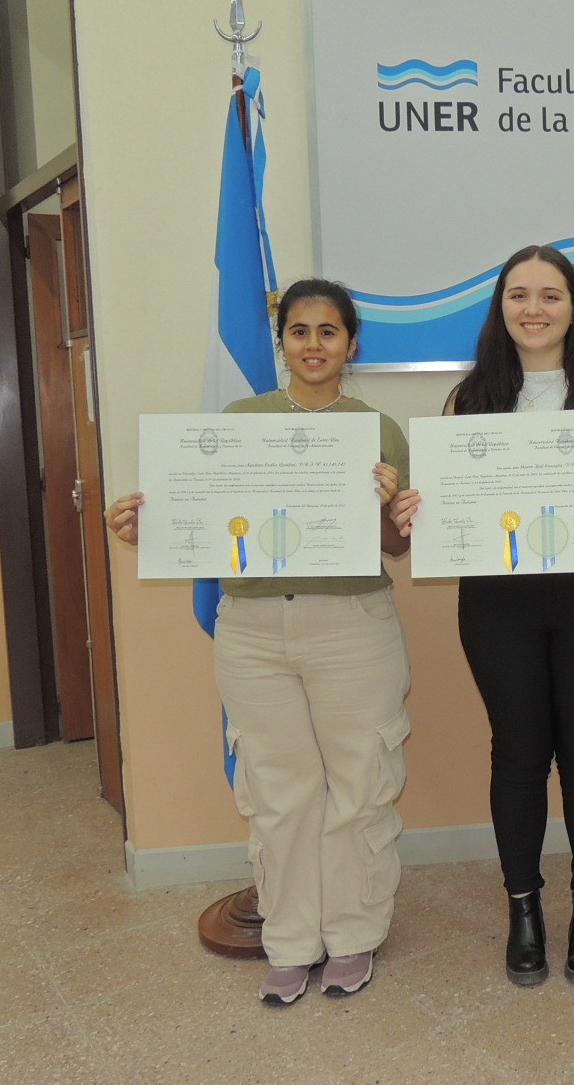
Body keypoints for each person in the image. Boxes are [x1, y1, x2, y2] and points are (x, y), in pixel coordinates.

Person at [105, 279, 414, 1005]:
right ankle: (292, 940)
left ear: (351, 344)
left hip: (353, 626)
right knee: (278, 792)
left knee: (360, 785)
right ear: (282, 343)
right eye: (299, 331)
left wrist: (386, 505)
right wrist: (150, 527)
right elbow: (204, 522)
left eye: (328, 331)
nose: (314, 345)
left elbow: (398, 546)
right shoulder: (238, 422)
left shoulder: (378, 430)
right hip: (250, 632)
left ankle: (355, 935)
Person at [389, 245, 574, 987]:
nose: (535, 308)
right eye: (519, 294)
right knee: (517, 752)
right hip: (498, 605)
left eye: (551, 294)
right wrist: (420, 512)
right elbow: (446, 507)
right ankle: (523, 909)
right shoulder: (467, 397)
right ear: (501, 307)